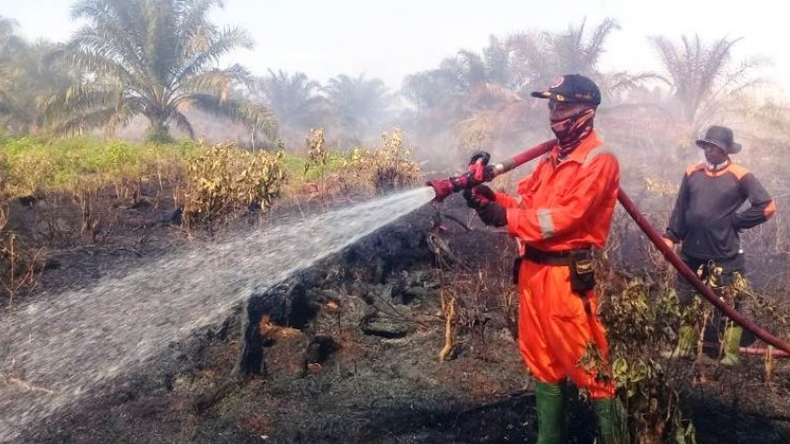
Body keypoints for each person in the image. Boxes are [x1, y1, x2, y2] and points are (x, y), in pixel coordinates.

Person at [464, 74, 627, 444]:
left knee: (591, 368)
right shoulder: (552, 157)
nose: (555, 114)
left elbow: (566, 218)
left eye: (563, 106)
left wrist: (506, 218)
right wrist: (490, 200)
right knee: (542, 362)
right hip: (532, 273)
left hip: (565, 277)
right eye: (552, 106)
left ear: (586, 111)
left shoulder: (599, 160)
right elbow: (528, 204)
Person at [662, 125, 776, 366]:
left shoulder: (740, 174)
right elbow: (681, 208)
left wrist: (736, 220)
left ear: (726, 151)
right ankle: (684, 348)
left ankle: (731, 354)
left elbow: (767, 207)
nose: (711, 152)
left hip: (725, 254)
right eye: (708, 146)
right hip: (691, 252)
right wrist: (671, 236)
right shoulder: (692, 172)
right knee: (687, 300)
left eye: (717, 148)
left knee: (730, 302)